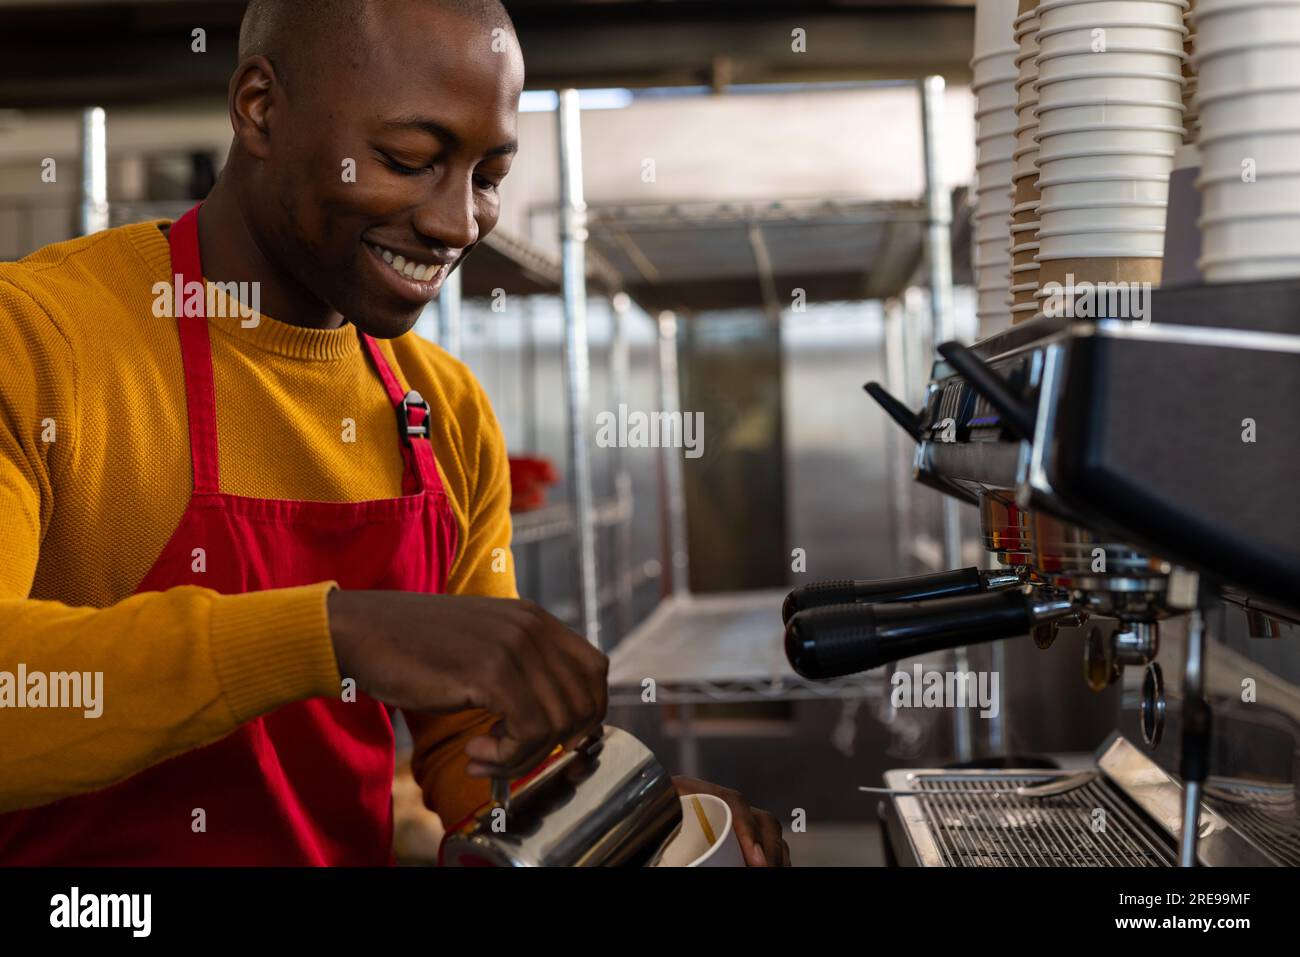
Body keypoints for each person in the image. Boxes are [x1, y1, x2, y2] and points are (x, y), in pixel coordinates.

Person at [0, 0, 789, 866]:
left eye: (487, 176)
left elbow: (469, 745)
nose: (457, 224)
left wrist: (611, 812)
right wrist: (337, 633)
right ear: (259, 107)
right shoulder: (39, 342)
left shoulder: (441, 409)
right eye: (408, 160)